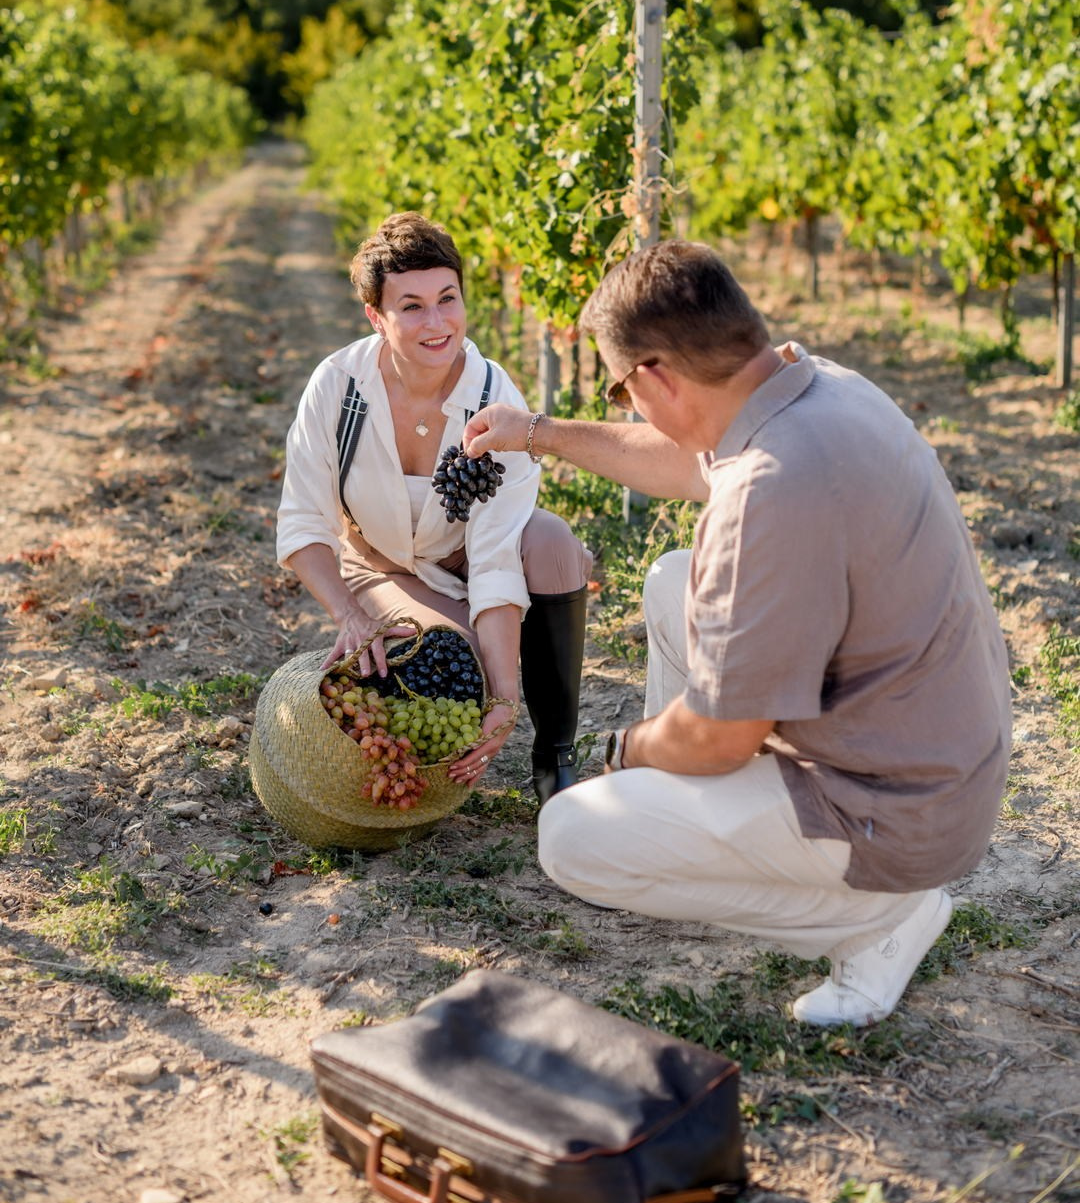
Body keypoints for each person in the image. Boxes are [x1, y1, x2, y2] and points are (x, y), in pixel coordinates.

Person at [463, 239, 1012, 1027]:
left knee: (575, 835)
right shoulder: (817, 391)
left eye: (623, 392)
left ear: (656, 376)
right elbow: (681, 461)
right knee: (671, 583)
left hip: (894, 813)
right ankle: (706, 816)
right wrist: (536, 431)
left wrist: (628, 750)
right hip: (941, 753)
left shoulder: (768, 492)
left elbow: (722, 737)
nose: (630, 407)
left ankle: (882, 919)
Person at [276, 212, 591, 802]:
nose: (437, 322)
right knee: (451, 667)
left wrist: (506, 697)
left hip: (467, 555)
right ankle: (460, 677)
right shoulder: (338, 389)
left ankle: (555, 753)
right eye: (412, 306)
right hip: (384, 564)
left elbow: (496, 550)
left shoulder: (494, 397)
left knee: (551, 544)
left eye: (447, 299)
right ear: (377, 316)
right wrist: (350, 613)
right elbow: (303, 521)